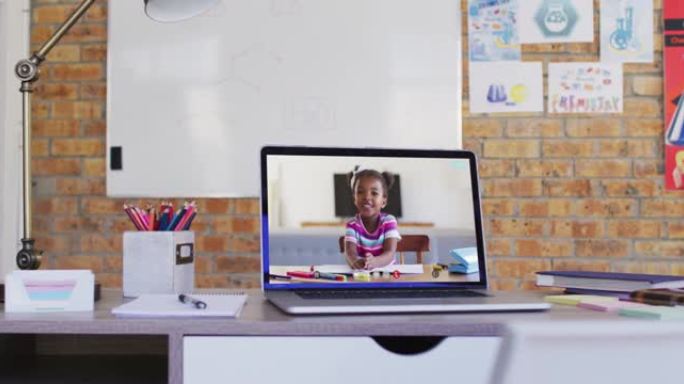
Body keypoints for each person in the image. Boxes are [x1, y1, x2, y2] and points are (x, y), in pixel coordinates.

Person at [343, 167, 401, 270]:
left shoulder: (389, 221)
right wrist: (355, 262)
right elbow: (350, 253)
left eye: (374, 193)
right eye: (360, 192)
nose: (367, 197)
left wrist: (375, 262)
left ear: (384, 201)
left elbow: (390, 252)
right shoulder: (351, 224)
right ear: (354, 199)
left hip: (388, 276)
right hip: (363, 276)